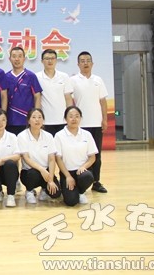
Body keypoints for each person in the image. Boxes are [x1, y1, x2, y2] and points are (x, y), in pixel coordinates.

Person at [70, 51, 109, 194]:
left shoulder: (98, 80)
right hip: (80, 125)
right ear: (78, 64)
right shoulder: (73, 80)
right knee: (81, 155)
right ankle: (80, 180)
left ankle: (96, 182)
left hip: (96, 124)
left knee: (96, 154)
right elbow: (68, 100)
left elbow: (103, 101)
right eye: (82, 61)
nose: (85, 63)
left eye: (88, 60)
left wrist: (104, 119)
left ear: (92, 63)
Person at [55, 106, 97, 206]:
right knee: (71, 202)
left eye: (77, 116)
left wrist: (83, 167)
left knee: (87, 176)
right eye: (71, 116)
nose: (74, 119)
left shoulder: (87, 134)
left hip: (82, 171)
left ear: (81, 118)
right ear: (65, 119)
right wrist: (68, 176)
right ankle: (69, 188)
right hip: (67, 172)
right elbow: (58, 159)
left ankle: (81, 192)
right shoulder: (59, 136)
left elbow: (92, 157)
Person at [17, 108, 61, 204]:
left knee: (56, 193)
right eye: (34, 117)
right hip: (29, 172)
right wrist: (42, 170)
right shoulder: (22, 136)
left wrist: (51, 179)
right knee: (33, 174)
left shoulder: (48, 136)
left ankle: (44, 189)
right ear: (28, 121)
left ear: (43, 120)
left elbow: (52, 159)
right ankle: (29, 191)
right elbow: (26, 158)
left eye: (40, 117)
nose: (37, 120)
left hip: (46, 171)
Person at [5, 46, 42, 135]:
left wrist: (36, 116)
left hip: (27, 121)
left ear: (24, 59)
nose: (17, 59)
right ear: (10, 59)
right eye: (14, 56)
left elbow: (37, 96)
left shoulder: (31, 76)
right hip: (10, 120)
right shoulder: (6, 77)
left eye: (20, 56)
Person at [36, 49, 74, 135]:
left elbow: (68, 99)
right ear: (42, 61)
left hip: (62, 121)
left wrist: (70, 117)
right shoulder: (37, 77)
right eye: (47, 58)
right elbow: (37, 98)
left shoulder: (64, 76)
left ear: (56, 60)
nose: (50, 61)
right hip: (45, 121)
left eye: (52, 58)